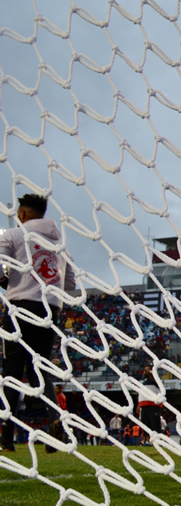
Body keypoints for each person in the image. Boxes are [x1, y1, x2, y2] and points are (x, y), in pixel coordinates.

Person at [0, 193, 77, 453]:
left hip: (20, 306)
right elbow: (70, 283)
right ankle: (55, 421)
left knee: (12, 370)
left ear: (22, 214)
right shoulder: (59, 243)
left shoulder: (14, 234)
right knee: (40, 369)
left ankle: (6, 438)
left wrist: (5, 281)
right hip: (50, 309)